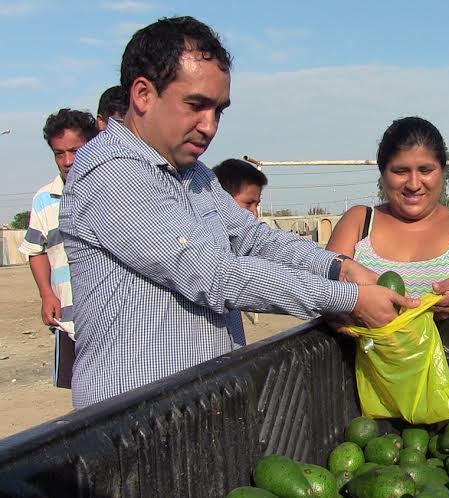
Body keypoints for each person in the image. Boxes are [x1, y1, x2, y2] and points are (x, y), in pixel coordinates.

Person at [58, 16, 415, 408]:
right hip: (135, 418)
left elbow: (254, 239)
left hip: (202, 404)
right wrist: (346, 299)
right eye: (196, 105)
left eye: (219, 111)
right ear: (143, 94)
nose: (209, 126)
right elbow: (215, 275)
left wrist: (338, 268)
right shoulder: (110, 173)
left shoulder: (194, 175)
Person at [325, 116, 449, 324]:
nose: (414, 184)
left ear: (443, 171)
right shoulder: (358, 222)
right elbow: (326, 287)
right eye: (400, 171)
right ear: (383, 173)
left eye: (425, 170)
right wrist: (344, 311)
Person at [19, 109, 99, 388]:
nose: (67, 161)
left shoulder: (109, 191)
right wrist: (46, 294)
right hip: (69, 321)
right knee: (81, 396)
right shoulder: (44, 199)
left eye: (75, 151)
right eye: (59, 153)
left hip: (109, 317)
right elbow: (35, 250)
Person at [213, 158, 269, 345]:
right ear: (223, 202)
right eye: (248, 203)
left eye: (257, 204)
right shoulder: (213, 256)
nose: (255, 213)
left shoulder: (238, 248)